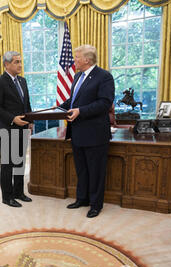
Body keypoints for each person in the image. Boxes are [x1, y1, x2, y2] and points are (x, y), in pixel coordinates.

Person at [57, 45, 115, 218]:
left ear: (87, 60)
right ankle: (82, 198)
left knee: (96, 171)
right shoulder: (77, 76)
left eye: (76, 58)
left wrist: (80, 111)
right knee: (81, 169)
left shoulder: (104, 77)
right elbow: (74, 100)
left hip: (95, 134)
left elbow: (104, 103)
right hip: (77, 132)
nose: (74, 60)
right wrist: (58, 107)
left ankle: (96, 205)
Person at [0, 51, 33, 208]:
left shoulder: (22, 81)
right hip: (8, 129)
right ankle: (7, 197)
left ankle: (18, 192)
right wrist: (13, 118)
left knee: (20, 162)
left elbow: (26, 103)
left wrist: (31, 120)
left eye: (20, 61)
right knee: (8, 165)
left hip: (23, 129)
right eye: (16, 62)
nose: (20, 64)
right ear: (6, 64)